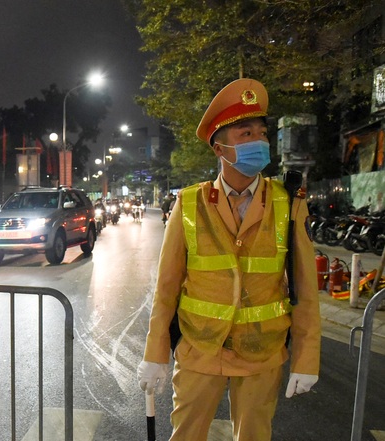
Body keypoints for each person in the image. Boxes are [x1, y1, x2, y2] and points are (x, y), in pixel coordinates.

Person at [137, 78, 320, 441]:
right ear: (220, 148)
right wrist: (156, 351)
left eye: (261, 133)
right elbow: (167, 287)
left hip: (262, 355)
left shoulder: (288, 203)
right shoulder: (189, 204)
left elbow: (305, 288)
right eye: (245, 132)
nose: (259, 141)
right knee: (186, 435)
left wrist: (306, 357)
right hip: (200, 350)